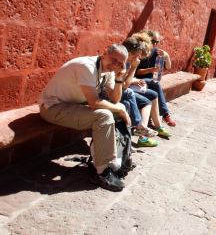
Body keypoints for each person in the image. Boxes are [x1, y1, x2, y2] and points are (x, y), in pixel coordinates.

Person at [39, 44, 131, 192]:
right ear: (104, 52)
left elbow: (115, 99)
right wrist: (120, 109)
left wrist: (120, 77)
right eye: (114, 60)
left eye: (121, 63)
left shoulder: (108, 70)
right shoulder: (87, 66)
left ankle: (116, 157)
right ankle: (102, 171)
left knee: (115, 110)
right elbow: (94, 103)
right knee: (105, 115)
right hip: (52, 108)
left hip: (73, 106)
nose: (116, 65)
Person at [134, 30, 176, 127]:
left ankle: (161, 117)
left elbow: (168, 67)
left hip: (151, 80)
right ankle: (165, 115)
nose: (155, 44)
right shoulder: (141, 52)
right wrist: (151, 70)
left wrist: (167, 56)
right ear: (147, 40)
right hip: (139, 79)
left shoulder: (156, 52)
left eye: (157, 42)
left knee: (155, 86)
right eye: (153, 42)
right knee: (155, 85)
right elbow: (137, 72)